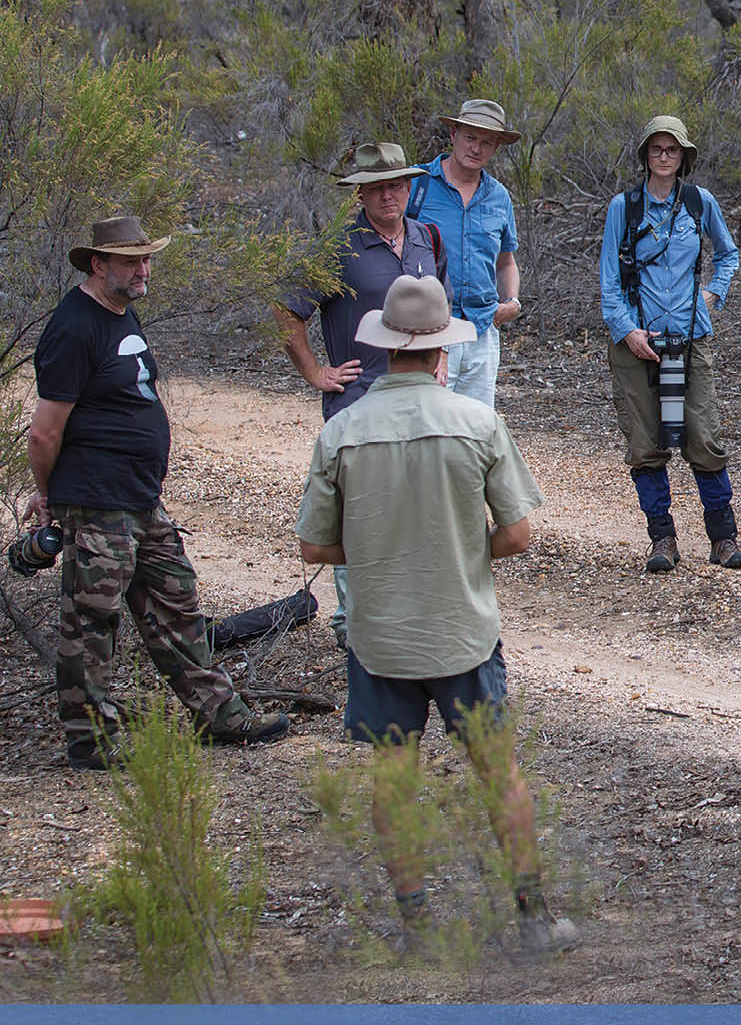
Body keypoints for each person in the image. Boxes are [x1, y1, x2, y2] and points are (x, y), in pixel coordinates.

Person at [295, 274, 578, 954]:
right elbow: (516, 536)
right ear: (442, 353)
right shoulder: (477, 422)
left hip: (380, 635)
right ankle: (533, 918)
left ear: (389, 350)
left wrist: (377, 551)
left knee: (394, 775)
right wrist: (455, 547)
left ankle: (416, 924)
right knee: (497, 769)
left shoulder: (343, 431)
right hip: (463, 632)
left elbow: (314, 543)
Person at [26, 217, 289, 770]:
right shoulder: (74, 327)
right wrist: (47, 497)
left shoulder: (121, 310)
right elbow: (46, 430)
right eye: (129, 261)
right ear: (98, 265)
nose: (142, 270)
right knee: (91, 623)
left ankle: (221, 716)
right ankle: (91, 740)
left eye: (146, 260)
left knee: (177, 606)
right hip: (96, 499)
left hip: (140, 498)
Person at [275, 140, 451, 648]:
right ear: (360, 195)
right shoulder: (337, 247)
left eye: (395, 184)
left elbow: (443, 310)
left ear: (409, 185)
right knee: (362, 515)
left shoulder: (427, 238)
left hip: (420, 401)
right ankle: (354, 624)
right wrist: (316, 373)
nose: (388, 196)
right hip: (360, 402)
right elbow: (287, 311)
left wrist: (440, 362)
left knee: (419, 508)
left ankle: (409, 614)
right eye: (375, 188)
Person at [599, 116, 741, 573]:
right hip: (635, 342)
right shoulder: (622, 208)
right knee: (645, 443)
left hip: (691, 337)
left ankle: (723, 538)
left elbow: (727, 253)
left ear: (683, 157)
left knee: (702, 436)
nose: (664, 157)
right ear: (645, 155)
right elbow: (608, 281)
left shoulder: (699, 203)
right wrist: (627, 330)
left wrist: (712, 294)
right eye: (656, 149)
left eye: (672, 150)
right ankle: (661, 538)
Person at [405, 99, 522, 406]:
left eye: (486, 142)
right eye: (470, 138)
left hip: (481, 331)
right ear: (453, 134)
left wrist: (511, 302)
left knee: (473, 432)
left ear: (496, 147)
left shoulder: (498, 196)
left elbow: (506, 260)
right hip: (426, 330)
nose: (476, 148)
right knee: (426, 427)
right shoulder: (416, 185)